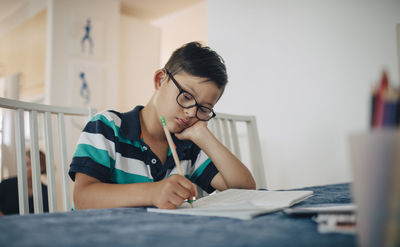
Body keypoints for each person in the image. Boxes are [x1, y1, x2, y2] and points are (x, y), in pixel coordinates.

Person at [69, 42, 256, 210]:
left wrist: (202, 134)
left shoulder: (187, 147)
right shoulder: (107, 127)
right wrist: (153, 192)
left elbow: (244, 189)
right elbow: (83, 198)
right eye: (187, 97)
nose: (191, 112)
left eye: (204, 109)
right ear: (160, 80)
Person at [0, 150, 49, 216]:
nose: (22, 168)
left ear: (40, 167)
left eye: (27, 164)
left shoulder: (45, 192)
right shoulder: (5, 185)